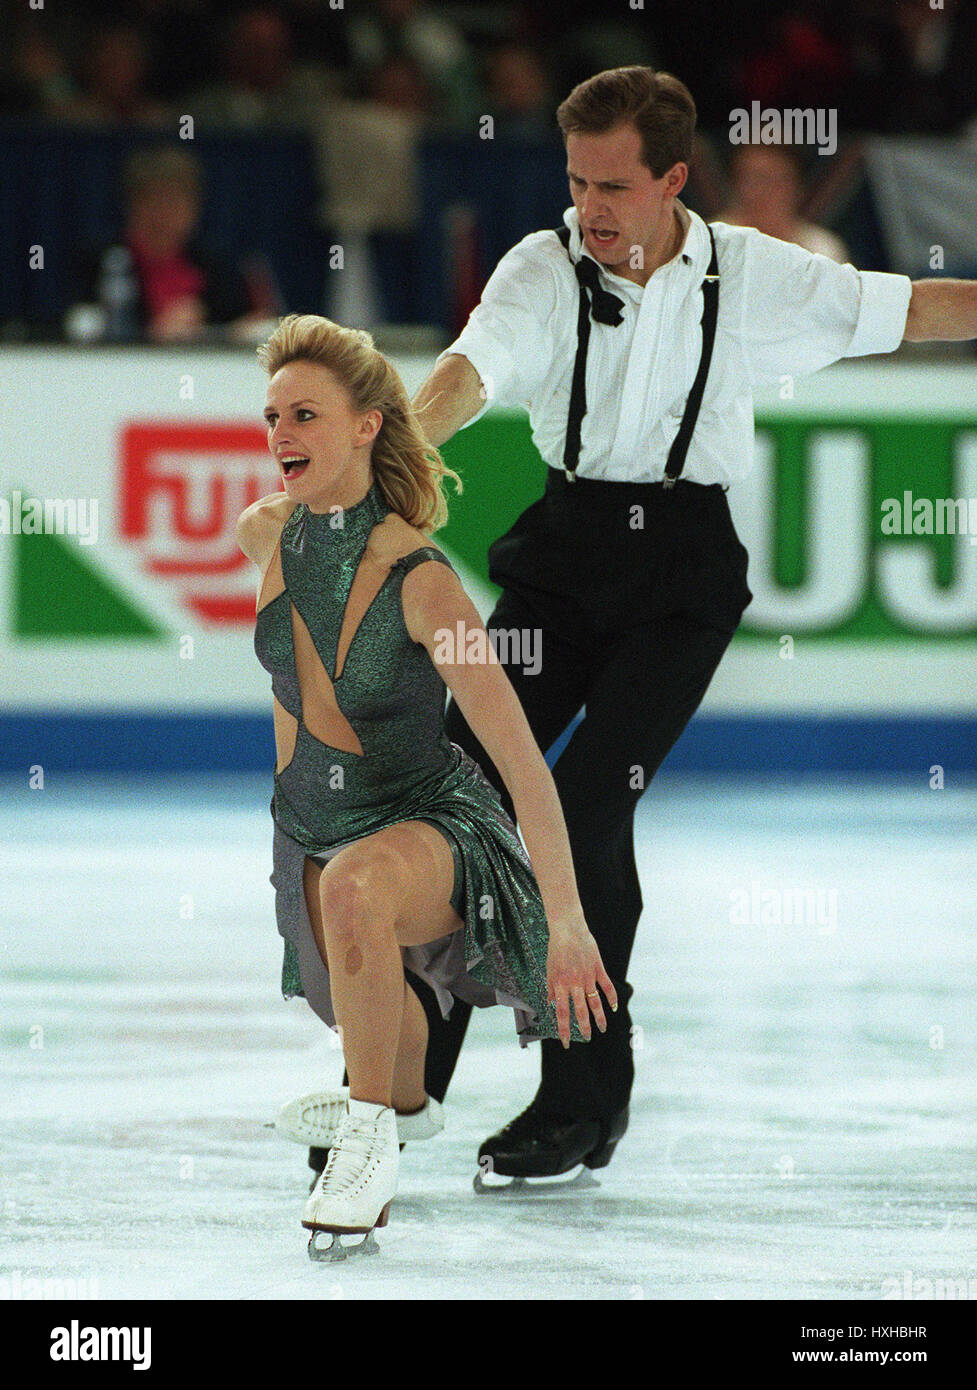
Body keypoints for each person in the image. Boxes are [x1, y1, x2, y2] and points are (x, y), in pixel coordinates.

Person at [284, 64, 977, 1188]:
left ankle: (582, 1099)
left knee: (592, 804)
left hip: (681, 584)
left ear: (671, 180)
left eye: (613, 185)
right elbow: (469, 369)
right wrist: (382, 450)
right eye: (575, 181)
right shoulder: (541, 269)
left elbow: (911, 307)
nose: (590, 208)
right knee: (456, 792)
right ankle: (399, 1079)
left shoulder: (749, 275)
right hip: (560, 563)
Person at [237, 313, 615, 1255]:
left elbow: (522, 763)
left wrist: (566, 920)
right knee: (392, 1056)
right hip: (315, 830)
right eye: (273, 416)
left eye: (307, 415)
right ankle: (393, 1107)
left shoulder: (422, 583)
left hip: (430, 828)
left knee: (364, 890)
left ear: (367, 425)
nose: (281, 436)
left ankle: (364, 1148)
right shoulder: (265, 537)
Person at [67, 146, 271, 345]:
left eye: (175, 203)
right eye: (155, 202)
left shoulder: (215, 264)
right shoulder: (100, 262)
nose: (164, 215)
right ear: (132, 206)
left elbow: (244, 325)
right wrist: (153, 332)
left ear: (194, 208)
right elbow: (76, 328)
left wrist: (219, 332)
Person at [717, 144, 848, 264]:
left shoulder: (823, 250)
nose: (761, 191)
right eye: (751, 180)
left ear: (796, 186)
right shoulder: (711, 242)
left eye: (772, 180)